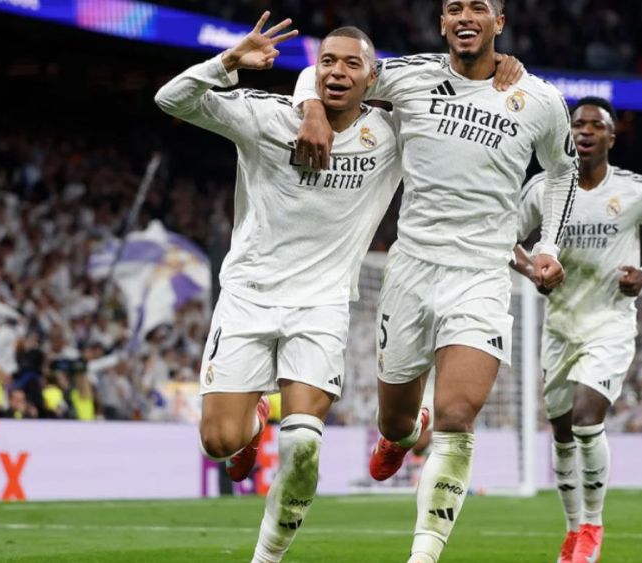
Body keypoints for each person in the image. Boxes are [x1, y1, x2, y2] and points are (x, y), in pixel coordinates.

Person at [292, 1, 578, 561]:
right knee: (396, 420)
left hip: (482, 275)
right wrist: (312, 110)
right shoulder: (408, 75)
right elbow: (324, 70)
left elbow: (563, 171)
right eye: (454, 8)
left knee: (456, 417)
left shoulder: (539, 99)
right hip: (411, 270)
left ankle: (424, 552)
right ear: (443, 23)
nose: (465, 16)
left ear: (499, 23)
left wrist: (548, 247)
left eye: (478, 7)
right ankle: (403, 434)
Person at [155, 14, 405, 563]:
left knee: (304, 446)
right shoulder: (266, 118)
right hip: (248, 296)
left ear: (373, 78)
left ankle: (265, 558)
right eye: (327, 62)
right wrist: (228, 61)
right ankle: (254, 421)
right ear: (314, 71)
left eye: (352, 64)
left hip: (322, 304)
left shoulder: (392, 135)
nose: (337, 72)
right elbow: (170, 99)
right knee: (219, 442)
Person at [514, 96, 642, 563]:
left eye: (595, 125)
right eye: (577, 124)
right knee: (561, 432)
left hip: (610, 322)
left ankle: (592, 524)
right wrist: (532, 271)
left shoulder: (635, 191)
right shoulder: (543, 189)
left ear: (612, 136)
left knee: (587, 419)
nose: (584, 131)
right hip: (559, 325)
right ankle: (572, 530)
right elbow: (506, 236)